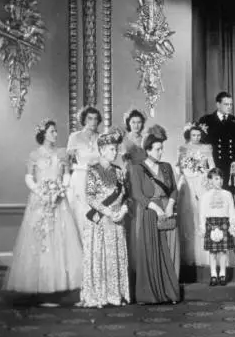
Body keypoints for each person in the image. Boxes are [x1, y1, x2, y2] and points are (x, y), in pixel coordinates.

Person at [4, 119, 82, 305]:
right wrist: (41, 192)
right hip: (40, 201)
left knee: (61, 241)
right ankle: (41, 286)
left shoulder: (62, 153)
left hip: (59, 201)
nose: (56, 134)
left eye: (56, 131)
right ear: (44, 134)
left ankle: (61, 286)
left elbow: (66, 174)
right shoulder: (34, 155)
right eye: (52, 131)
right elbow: (29, 177)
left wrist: (61, 189)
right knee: (41, 240)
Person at [129, 125, 180, 304]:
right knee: (151, 252)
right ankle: (150, 294)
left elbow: (174, 190)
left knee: (170, 253)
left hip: (167, 210)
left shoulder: (166, 167)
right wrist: (157, 209)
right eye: (158, 149)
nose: (161, 152)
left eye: (162, 149)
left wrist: (169, 205)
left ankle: (170, 292)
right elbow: (137, 194)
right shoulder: (137, 169)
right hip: (150, 214)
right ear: (148, 150)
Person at [80, 127, 131, 308]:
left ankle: (115, 295)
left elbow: (125, 195)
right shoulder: (93, 170)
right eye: (111, 149)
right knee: (100, 257)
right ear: (101, 150)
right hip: (100, 220)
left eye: (116, 149)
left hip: (117, 220)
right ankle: (99, 295)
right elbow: (90, 197)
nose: (115, 152)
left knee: (115, 257)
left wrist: (123, 211)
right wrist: (108, 212)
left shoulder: (118, 171)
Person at [197, 91, 235, 223]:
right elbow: (201, 144)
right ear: (218, 104)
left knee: (227, 197)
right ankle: (212, 229)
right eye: (226, 104)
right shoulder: (206, 120)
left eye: (230, 104)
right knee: (211, 198)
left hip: (230, 166)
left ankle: (227, 229)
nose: (229, 107)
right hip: (212, 166)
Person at [176, 122, 220, 267]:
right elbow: (178, 167)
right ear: (188, 135)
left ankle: (206, 254)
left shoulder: (206, 148)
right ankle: (188, 254)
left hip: (202, 182)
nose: (196, 137)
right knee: (189, 215)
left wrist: (208, 177)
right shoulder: (182, 148)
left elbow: (212, 166)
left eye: (199, 135)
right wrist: (185, 170)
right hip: (188, 182)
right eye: (193, 135)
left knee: (203, 214)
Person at [67, 106, 102, 240]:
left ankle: (94, 248)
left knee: (95, 212)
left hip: (97, 178)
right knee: (80, 213)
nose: (93, 121)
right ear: (84, 119)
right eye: (90, 118)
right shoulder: (74, 137)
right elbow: (68, 162)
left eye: (95, 119)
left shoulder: (101, 137)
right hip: (80, 178)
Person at [200, 168, 235, 286]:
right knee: (212, 252)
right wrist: (202, 227)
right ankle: (213, 274)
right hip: (211, 224)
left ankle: (222, 273)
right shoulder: (205, 196)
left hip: (224, 223)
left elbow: (232, 210)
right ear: (210, 181)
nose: (220, 181)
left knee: (222, 251)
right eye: (216, 178)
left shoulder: (227, 194)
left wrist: (232, 225)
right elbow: (202, 213)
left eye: (221, 178)